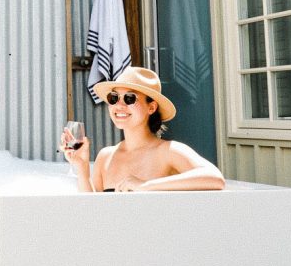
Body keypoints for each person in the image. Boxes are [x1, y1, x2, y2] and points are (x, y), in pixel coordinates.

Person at [59, 66, 225, 192]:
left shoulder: (168, 151)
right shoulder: (106, 156)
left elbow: (215, 178)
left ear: (151, 107)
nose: (119, 105)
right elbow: (94, 213)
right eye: (114, 97)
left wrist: (145, 185)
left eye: (130, 98)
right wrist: (82, 169)